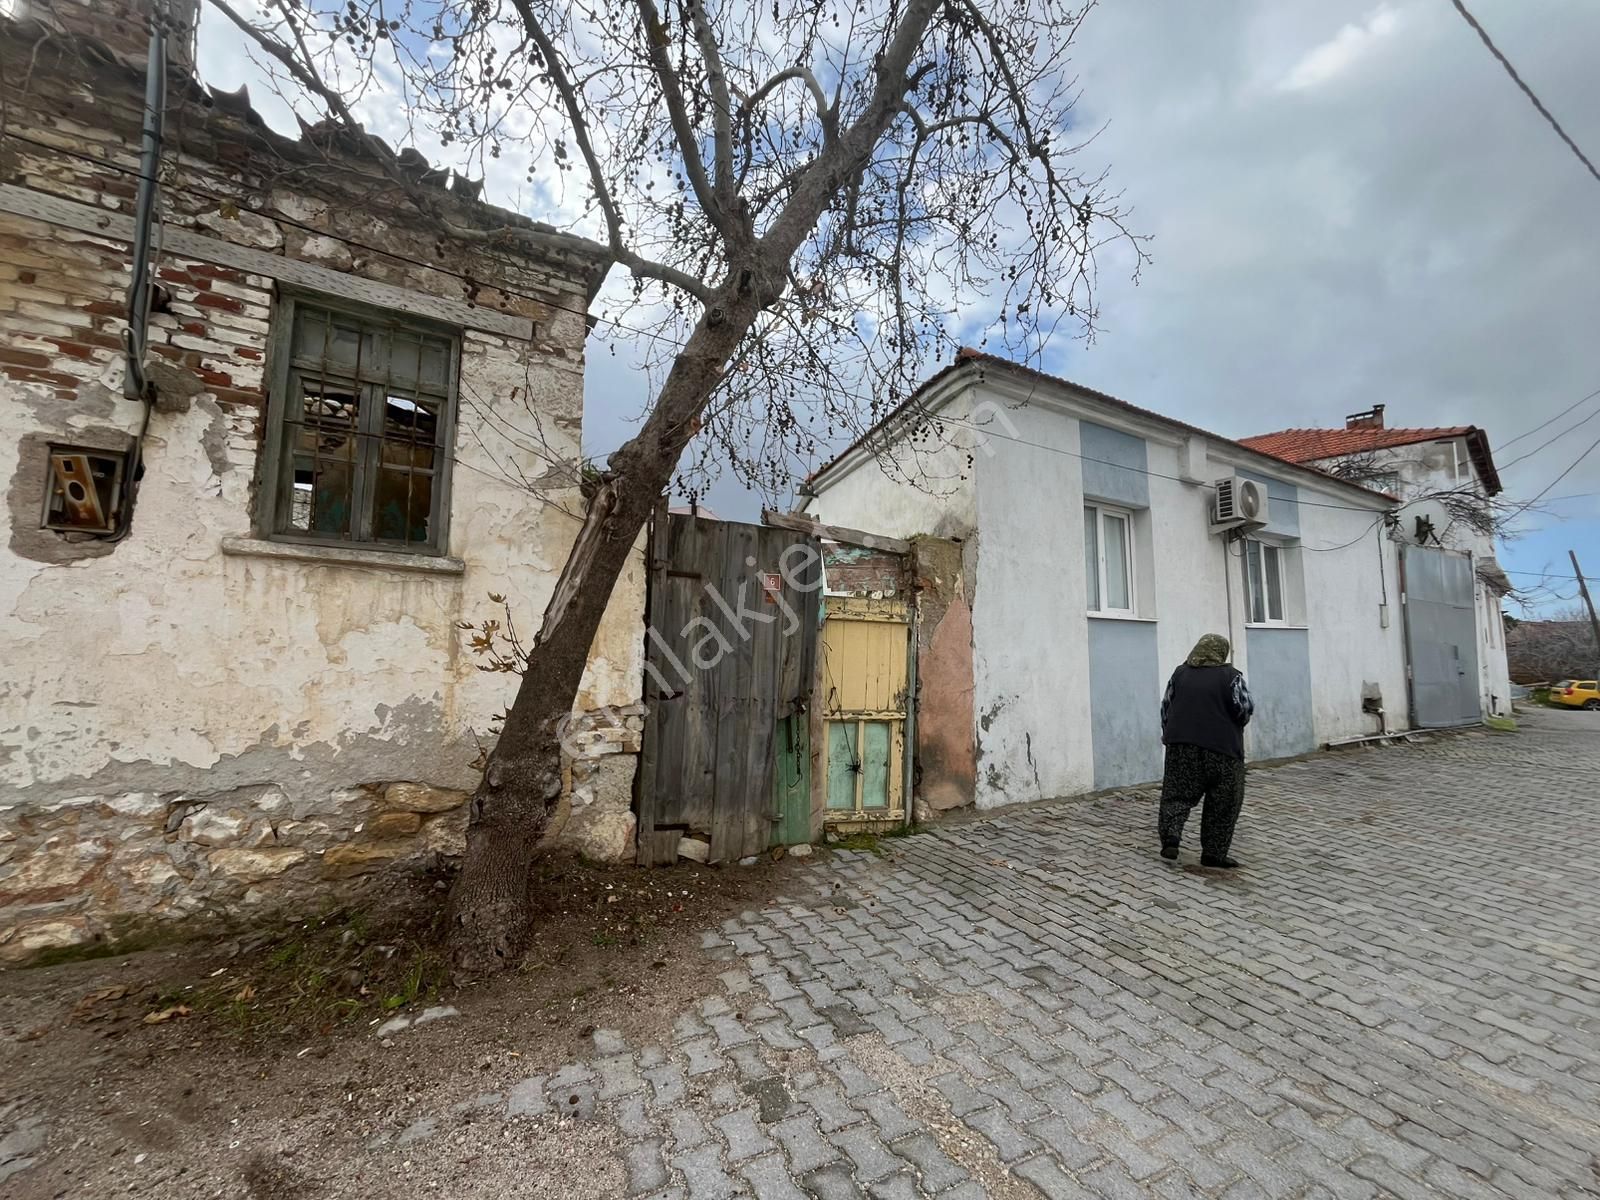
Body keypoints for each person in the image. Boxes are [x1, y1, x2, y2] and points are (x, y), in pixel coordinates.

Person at [1158, 633, 1253, 868]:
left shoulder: (1179, 674)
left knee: (1177, 794)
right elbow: (1244, 709)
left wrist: (1169, 734)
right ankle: (1214, 853)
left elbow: (1166, 707)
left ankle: (1171, 837)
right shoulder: (1232, 677)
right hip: (1222, 749)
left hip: (1181, 746)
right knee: (1224, 800)